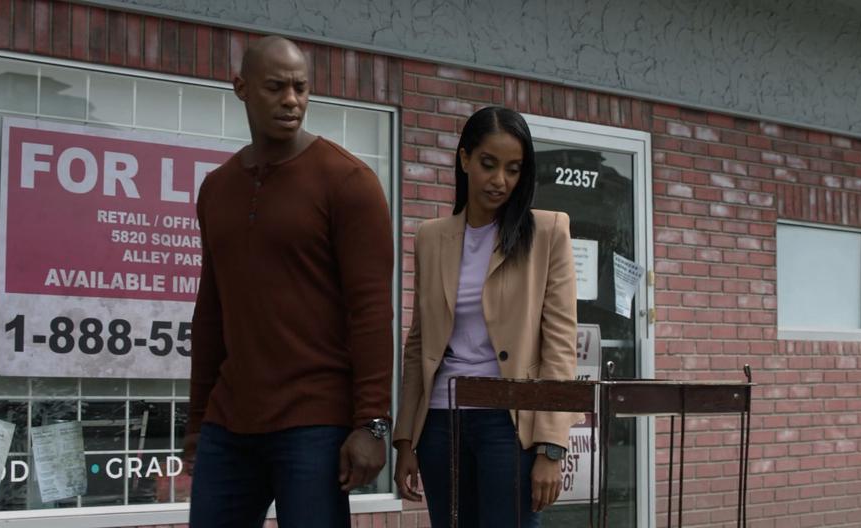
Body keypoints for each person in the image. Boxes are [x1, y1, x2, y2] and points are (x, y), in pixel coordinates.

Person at [183, 36, 394, 528]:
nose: (291, 100)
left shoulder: (348, 183)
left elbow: (370, 312)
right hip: (229, 424)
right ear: (241, 88)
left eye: (300, 87)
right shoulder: (217, 188)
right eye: (276, 87)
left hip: (313, 425)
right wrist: (197, 419)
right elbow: (211, 310)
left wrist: (372, 423)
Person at [392, 106, 579, 527]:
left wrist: (552, 446)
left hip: (508, 424)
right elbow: (419, 342)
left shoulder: (547, 232)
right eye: (488, 164)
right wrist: (406, 439)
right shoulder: (431, 237)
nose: (500, 181)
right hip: (441, 421)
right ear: (464, 159)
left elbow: (560, 345)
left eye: (513, 169)